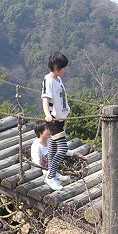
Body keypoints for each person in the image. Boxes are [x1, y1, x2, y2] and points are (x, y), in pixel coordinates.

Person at [41, 52, 72, 191]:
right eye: (63, 67)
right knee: (63, 148)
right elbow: (45, 99)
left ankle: (51, 172)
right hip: (53, 120)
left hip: (60, 118)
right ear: (56, 67)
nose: (65, 70)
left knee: (53, 146)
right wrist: (47, 114)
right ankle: (50, 177)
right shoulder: (48, 80)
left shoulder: (58, 79)